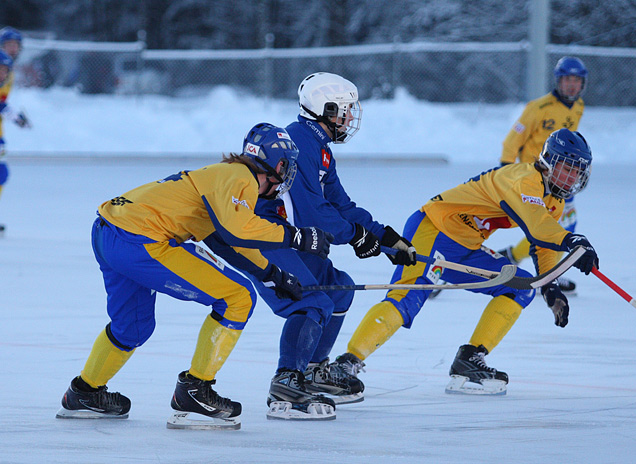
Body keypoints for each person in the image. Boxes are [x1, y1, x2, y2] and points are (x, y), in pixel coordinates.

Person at [56, 123, 334, 430]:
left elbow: (223, 240)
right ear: (273, 163)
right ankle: (195, 391)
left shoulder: (224, 176)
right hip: (140, 240)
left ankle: (83, 393)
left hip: (108, 232)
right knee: (238, 297)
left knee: (132, 328)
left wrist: (273, 274)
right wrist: (298, 237)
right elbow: (236, 230)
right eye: (286, 164)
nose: (287, 172)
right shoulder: (242, 177)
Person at [334, 128, 598, 396]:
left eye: (578, 171)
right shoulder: (525, 178)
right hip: (434, 228)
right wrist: (573, 240)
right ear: (549, 161)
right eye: (568, 168)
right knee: (408, 297)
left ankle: (469, 358)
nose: (573, 177)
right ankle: (347, 362)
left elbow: (543, 244)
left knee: (520, 287)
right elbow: (537, 226)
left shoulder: (555, 200)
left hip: (466, 245)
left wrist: (550, 287)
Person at [230, 73, 416, 420]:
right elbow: (311, 214)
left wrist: (386, 237)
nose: (348, 119)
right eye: (344, 111)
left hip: (289, 239)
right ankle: (287, 380)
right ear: (325, 109)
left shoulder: (320, 149)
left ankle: (314, 369)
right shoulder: (298, 142)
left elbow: (341, 205)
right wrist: (358, 236)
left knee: (341, 289)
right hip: (266, 238)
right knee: (311, 300)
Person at [497, 56, 588, 295]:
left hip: (561, 180)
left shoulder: (578, 107)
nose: (572, 85)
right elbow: (512, 141)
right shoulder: (537, 108)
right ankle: (548, 275)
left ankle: (515, 257)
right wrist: (505, 171)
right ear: (558, 81)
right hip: (535, 180)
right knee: (554, 229)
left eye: (576, 81)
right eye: (567, 79)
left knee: (565, 225)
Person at [0, 27, 30, 235]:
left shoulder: (8, 70)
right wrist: (14, 115)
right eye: (8, 44)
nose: (12, 48)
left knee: (2, 173)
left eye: (15, 45)